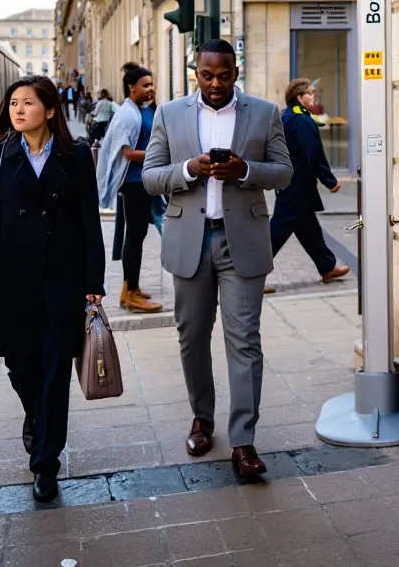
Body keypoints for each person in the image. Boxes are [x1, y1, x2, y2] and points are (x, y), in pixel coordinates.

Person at [142, 39, 292, 481]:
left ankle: (243, 441)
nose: (215, 84)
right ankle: (202, 419)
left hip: (241, 240)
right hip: (189, 241)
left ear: (235, 72)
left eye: (223, 76)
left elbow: (284, 172)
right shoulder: (169, 114)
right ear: (196, 73)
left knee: (244, 340)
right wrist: (189, 169)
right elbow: (150, 177)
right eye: (207, 76)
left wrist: (245, 170)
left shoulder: (264, 113)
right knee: (192, 338)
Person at [0, 75, 105, 503]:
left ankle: (45, 464)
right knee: (21, 367)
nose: (18, 110)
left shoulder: (76, 156)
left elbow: (89, 221)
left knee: (55, 372)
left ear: (49, 109)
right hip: (12, 281)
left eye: (27, 103)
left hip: (63, 280)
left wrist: (93, 281)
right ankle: (36, 416)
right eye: (13, 104)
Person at [95, 63, 163, 313]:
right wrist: (160, 154)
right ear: (131, 88)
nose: (151, 89)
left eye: (152, 84)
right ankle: (130, 293)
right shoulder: (127, 115)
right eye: (145, 85)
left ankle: (131, 288)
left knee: (138, 234)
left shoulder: (139, 109)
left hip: (142, 180)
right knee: (134, 235)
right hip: (134, 182)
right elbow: (127, 153)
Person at [271, 79, 350, 284]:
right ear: (299, 98)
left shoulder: (284, 116)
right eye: (310, 94)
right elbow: (314, 153)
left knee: (308, 229)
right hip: (297, 185)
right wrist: (329, 180)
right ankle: (251, 275)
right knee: (277, 232)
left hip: (288, 182)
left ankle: (327, 267)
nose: (313, 97)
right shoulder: (302, 120)